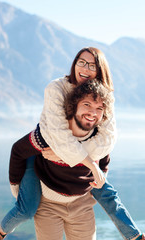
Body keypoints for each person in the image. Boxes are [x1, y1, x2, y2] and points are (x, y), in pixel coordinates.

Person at [0, 47, 145, 240]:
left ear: (100, 70)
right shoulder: (57, 89)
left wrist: (80, 161)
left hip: (81, 167)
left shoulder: (104, 97)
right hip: (40, 153)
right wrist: (17, 189)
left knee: (108, 195)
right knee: (26, 208)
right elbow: (55, 137)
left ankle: (135, 236)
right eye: (81, 62)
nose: (85, 68)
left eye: (92, 65)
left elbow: (107, 140)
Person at [34, 79, 111, 239]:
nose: (92, 112)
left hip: (82, 206)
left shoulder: (97, 136)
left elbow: (104, 158)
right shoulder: (52, 133)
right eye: (87, 105)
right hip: (48, 205)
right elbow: (21, 153)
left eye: (99, 108)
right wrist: (24, 199)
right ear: (73, 106)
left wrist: (97, 182)